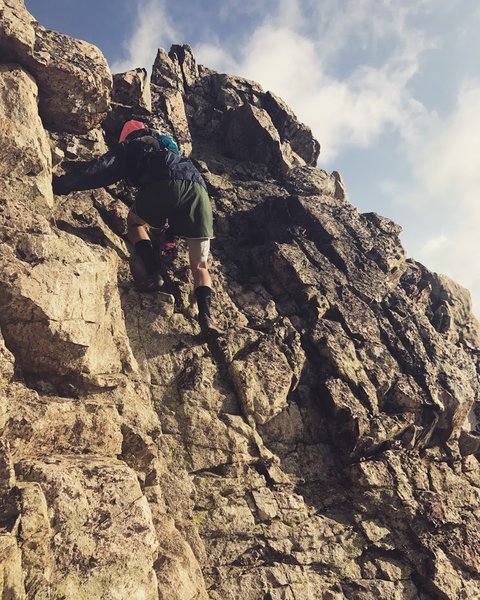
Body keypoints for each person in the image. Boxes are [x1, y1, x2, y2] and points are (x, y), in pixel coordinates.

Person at [52, 120, 223, 336]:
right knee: (200, 265)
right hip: (199, 193)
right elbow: (180, 200)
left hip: (165, 184)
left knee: (134, 223)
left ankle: (153, 272)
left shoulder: (135, 145)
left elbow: (102, 169)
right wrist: (168, 235)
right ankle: (206, 317)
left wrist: (64, 184)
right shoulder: (176, 155)